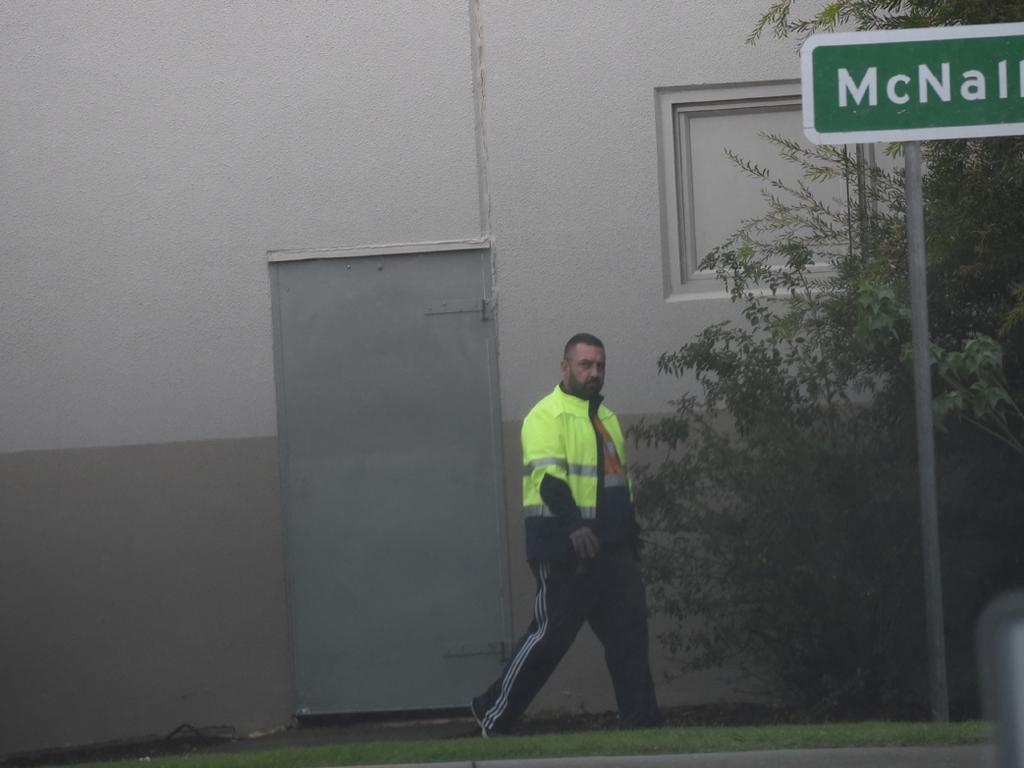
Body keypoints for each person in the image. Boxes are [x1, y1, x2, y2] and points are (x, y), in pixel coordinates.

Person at [471, 332, 662, 736]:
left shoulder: (605, 419)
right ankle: (493, 713)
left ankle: (643, 727)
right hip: (565, 551)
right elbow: (548, 480)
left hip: (613, 552)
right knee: (549, 639)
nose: (594, 373)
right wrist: (574, 526)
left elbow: (616, 485)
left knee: (629, 639)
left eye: (600, 366)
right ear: (565, 367)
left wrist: (630, 537)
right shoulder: (546, 415)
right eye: (585, 365)